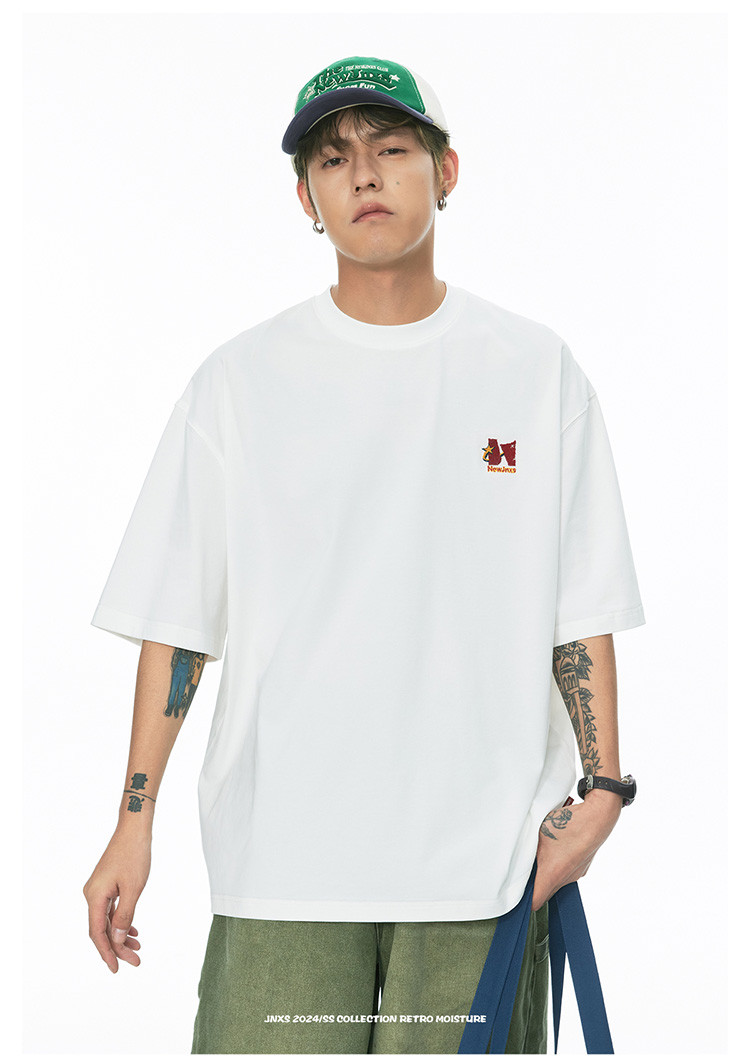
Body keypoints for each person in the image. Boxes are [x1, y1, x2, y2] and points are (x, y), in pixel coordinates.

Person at [82, 55, 645, 1054]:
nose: (365, 175)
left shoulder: (534, 371)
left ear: (447, 170)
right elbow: (179, 622)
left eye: (391, 148)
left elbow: (580, 607)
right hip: (282, 867)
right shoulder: (238, 384)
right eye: (334, 159)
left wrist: (602, 794)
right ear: (306, 197)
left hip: (482, 869)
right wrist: (135, 820)